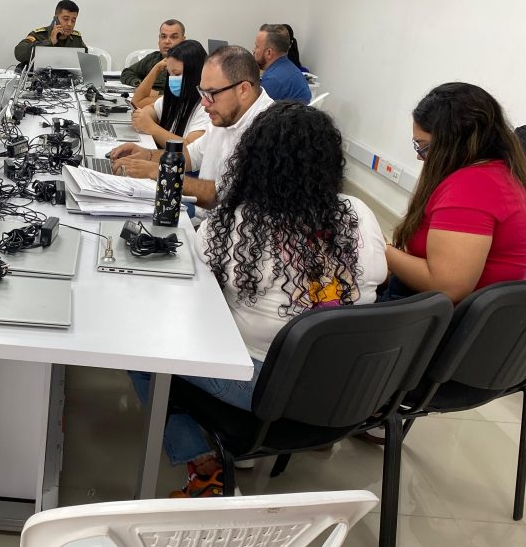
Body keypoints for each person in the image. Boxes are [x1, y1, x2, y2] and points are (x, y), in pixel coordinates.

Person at [132, 103, 387, 497]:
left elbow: (192, 292)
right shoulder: (359, 213)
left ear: (252, 161)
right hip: (350, 384)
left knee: (142, 350)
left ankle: (205, 466)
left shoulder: (237, 223)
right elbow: (375, 279)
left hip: (266, 386)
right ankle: (303, 438)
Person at [383, 82, 526, 303]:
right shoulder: (499, 172)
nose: (419, 156)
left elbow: (447, 287)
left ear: (454, 143)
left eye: (424, 146)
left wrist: (379, 248)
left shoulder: (474, 187)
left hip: (437, 316)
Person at [111, 46, 274, 218]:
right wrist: (148, 155)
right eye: (202, 92)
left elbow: (224, 195)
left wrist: (161, 173)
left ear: (243, 90)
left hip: (226, 225)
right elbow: (191, 155)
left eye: (211, 93)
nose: (204, 102)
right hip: (206, 219)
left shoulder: (270, 131)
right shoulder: (226, 115)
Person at [112, 40, 210, 151]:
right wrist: (143, 116)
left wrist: (150, 127)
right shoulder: (176, 98)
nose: (172, 79)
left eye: (177, 74)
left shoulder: (206, 108)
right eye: (170, 74)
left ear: (196, 73)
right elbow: (151, 109)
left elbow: (190, 151)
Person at [119, 19, 186, 102]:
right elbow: (127, 72)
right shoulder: (153, 58)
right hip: (143, 100)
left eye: (173, 37)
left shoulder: (189, 62)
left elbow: (188, 94)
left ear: (183, 40)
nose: (167, 41)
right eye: (163, 36)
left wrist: (158, 94)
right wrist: (141, 85)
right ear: (159, 39)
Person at [14, 0, 87, 65]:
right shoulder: (39, 35)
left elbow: (86, 62)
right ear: (56, 19)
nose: (70, 24)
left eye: (73, 20)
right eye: (65, 19)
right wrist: (50, 42)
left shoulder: (76, 39)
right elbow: (19, 53)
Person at [252, 24, 311, 104]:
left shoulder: (273, 80)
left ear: (269, 53)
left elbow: (255, 109)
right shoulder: (290, 69)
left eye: (257, 46)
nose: (254, 50)